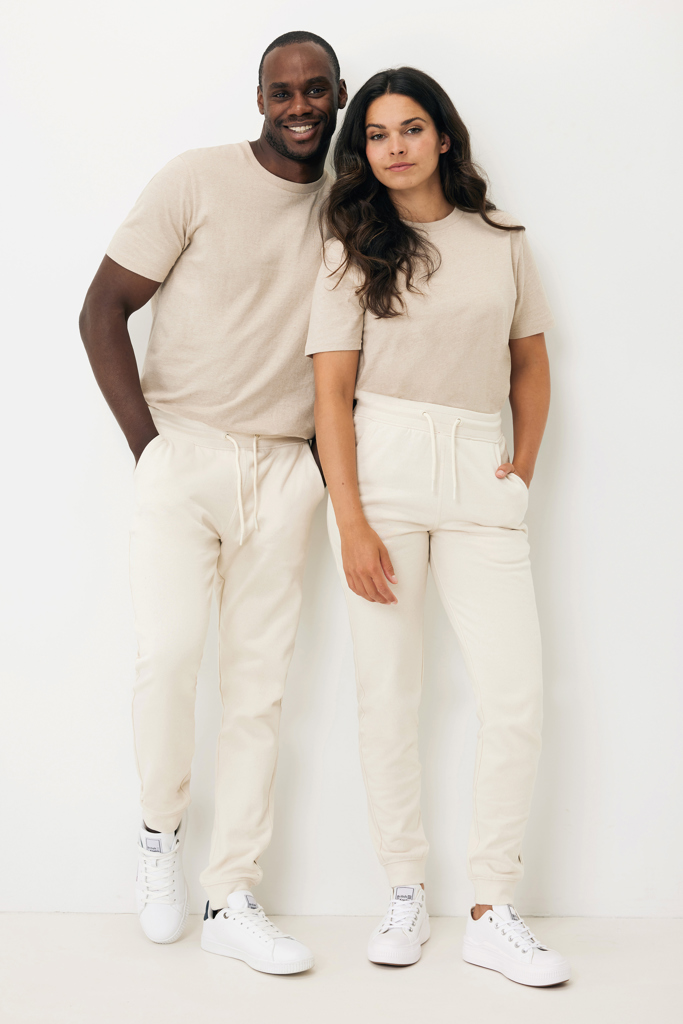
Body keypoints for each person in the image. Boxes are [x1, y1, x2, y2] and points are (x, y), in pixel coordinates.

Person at [79, 31, 347, 974]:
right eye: (282, 91)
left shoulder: (349, 206)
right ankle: (160, 837)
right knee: (168, 657)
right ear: (260, 99)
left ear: (339, 94)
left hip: (284, 469)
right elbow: (101, 308)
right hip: (182, 453)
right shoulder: (195, 178)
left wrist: (321, 468)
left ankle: (231, 893)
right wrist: (149, 448)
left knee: (257, 690)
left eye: (315, 89)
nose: (299, 106)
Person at [306, 67, 570, 986]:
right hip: (380, 470)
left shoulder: (502, 241)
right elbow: (330, 394)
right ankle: (404, 890)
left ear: (443, 136)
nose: (395, 147)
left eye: (411, 128)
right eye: (377, 134)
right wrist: (349, 519)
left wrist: (519, 470)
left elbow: (530, 365)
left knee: (514, 696)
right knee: (388, 694)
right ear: (363, 151)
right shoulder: (350, 248)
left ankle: (492, 908)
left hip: (477, 469)